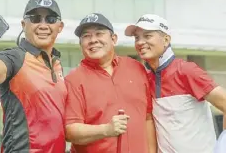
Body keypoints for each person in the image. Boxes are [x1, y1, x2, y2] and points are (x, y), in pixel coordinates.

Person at [0, 0, 67, 153]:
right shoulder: (15, 57)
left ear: (60, 26)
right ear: (24, 24)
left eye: (50, 19)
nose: (43, 25)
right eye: (35, 18)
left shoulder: (57, 64)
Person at [125, 14, 226, 153]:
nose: (140, 42)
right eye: (137, 38)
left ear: (166, 39)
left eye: (147, 36)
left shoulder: (187, 71)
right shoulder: (145, 78)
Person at [65, 13, 157, 153]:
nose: (93, 40)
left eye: (99, 34)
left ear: (114, 39)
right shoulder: (73, 80)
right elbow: (70, 131)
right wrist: (106, 130)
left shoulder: (136, 68)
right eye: (86, 36)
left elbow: (148, 118)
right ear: (80, 45)